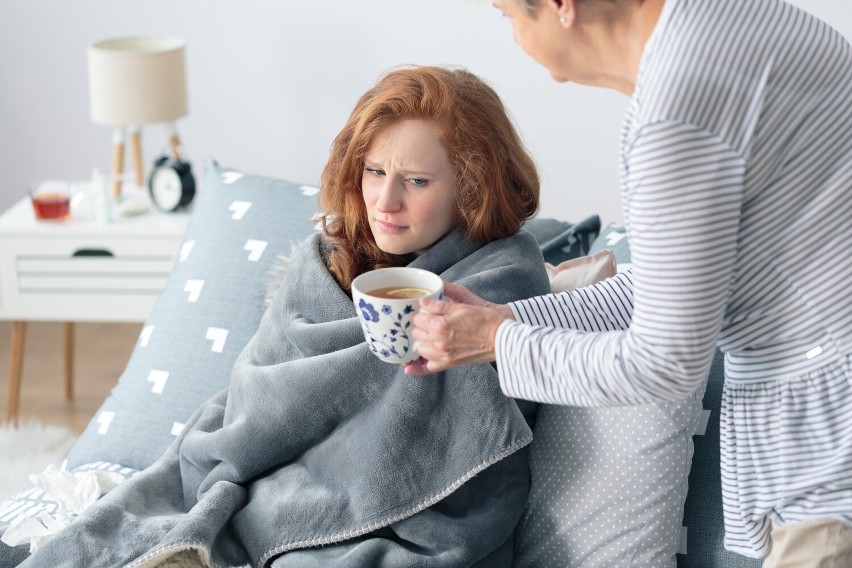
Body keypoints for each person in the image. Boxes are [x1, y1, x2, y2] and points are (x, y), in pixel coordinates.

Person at [4, 65, 551, 567]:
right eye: (375, 171)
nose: (385, 200)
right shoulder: (325, 262)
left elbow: (476, 424)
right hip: (278, 486)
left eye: (416, 181)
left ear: (471, 185)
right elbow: (258, 396)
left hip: (411, 516)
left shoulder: (501, 279)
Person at [407, 0, 852, 565]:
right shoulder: (748, 22)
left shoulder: (675, 115)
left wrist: (496, 344)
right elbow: (674, 284)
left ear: (562, 7)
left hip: (831, 448)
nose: (516, 39)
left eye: (509, 15)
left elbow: (666, 363)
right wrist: (509, 319)